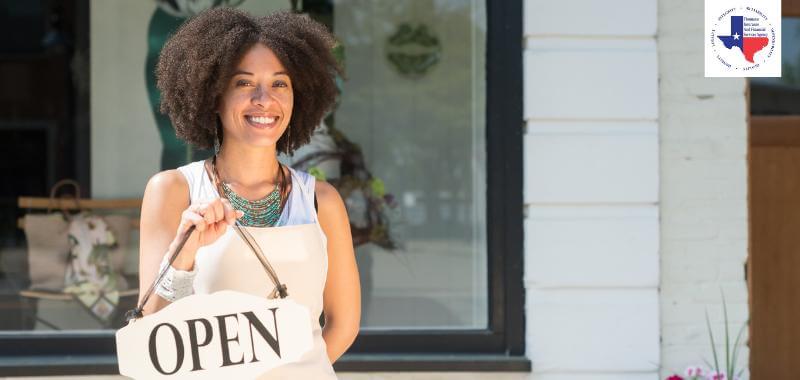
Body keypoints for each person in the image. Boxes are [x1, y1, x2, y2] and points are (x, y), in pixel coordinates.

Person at [137, 8, 360, 378]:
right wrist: (184, 254)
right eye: (243, 83)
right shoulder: (174, 191)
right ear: (214, 95)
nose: (263, 99)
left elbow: (344, 324)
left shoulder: (322, 201)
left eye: (279, 84)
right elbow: (151, 331)